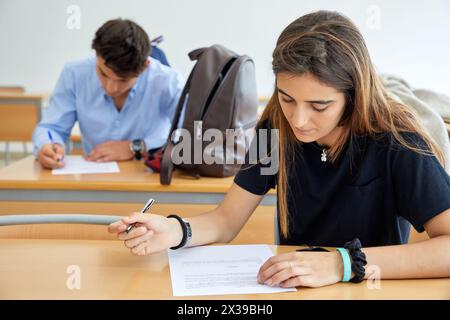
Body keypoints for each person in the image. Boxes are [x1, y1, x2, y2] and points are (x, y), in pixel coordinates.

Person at [108, 11, 450, 288]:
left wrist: (343, 263)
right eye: (287, 99)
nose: (299, 120)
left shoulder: (397, 142)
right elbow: (226, 221)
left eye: (319, 106)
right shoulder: (276, 127)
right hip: (294, 288)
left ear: (354, 95)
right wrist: (174, 230)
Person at [33, 18, 184, 169]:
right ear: (96, 55)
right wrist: (48, 145)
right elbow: (52, 128)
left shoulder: (168, 82)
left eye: (123, 80)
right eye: (103, 74)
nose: (111, 88)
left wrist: (137, 147)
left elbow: (189, 139)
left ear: (145, 67)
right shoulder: (74, 74)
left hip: (150, 180)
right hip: (96, 179)